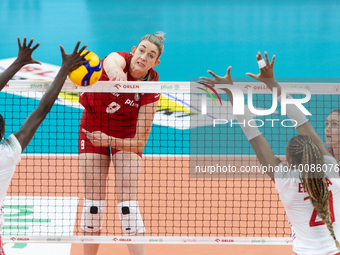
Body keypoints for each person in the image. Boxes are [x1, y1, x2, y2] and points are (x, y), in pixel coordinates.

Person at [199, 52, 340, 255]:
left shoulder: (286, 180)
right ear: (317, 153)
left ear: (289, 162)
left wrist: (231, 91)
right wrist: (272, 84)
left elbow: (253, 134)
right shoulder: (332, 170)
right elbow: (301, 122)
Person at [0, 38, 89, 254]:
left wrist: (17, 63)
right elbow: (42, 110)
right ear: (2, 134)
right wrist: (65, 69)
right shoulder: (7, 153)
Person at [79, 32, 164, 255]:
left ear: (156, 63)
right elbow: (111, 61)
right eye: (142, 50)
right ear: (134, 50)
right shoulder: (119, 59)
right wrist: (116, 73)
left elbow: (139, 142)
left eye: (151, 55)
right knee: (93, 206)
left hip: (125, 136)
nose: (144, 56)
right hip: (93, 125)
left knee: (128, 206)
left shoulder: (151, 88)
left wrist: (109, 140)